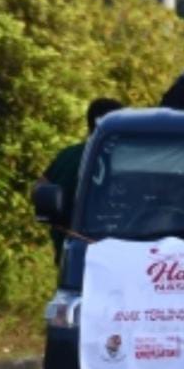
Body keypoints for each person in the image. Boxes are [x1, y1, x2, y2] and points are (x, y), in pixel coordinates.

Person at [34, 98, 123, 264]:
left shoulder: (68, 156)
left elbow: (40, 190)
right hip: (122, 258)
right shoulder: (127, 158)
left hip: (73, 257)